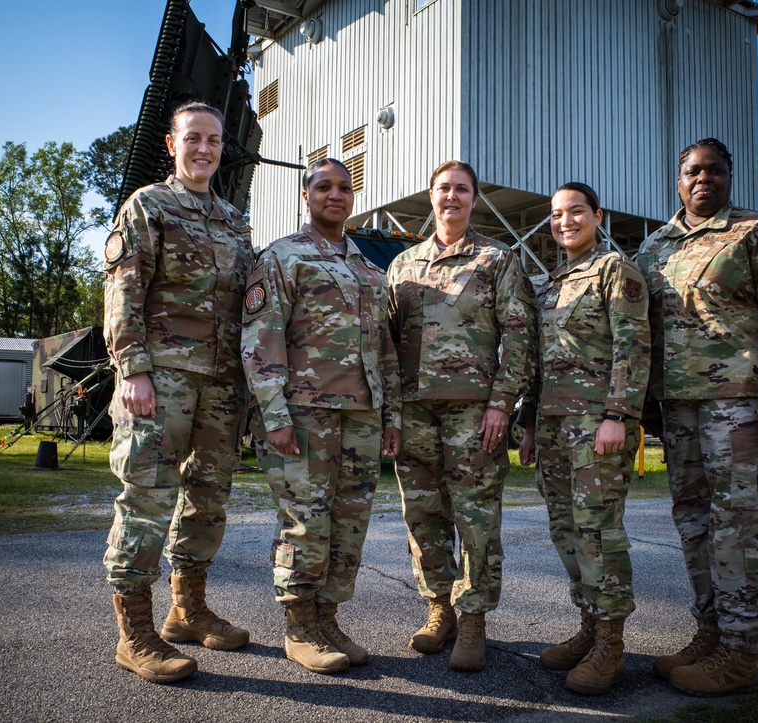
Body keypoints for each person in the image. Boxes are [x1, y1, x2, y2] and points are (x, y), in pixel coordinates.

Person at [636, 138, 758, 697]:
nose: (703, 180)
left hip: (741, 406)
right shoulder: (654, 247)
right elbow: (641, 329)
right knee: (694, 524)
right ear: (677, 179)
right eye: (693, 171)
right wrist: (644, 405)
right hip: (679, 411)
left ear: (729, 177)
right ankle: (710, 634)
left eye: (715, 171)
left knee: (737, 527)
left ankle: (740, 653)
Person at [102, 101, 253, 684]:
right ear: (173, 145)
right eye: (193, 138)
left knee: (207, 498)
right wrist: (133, 368)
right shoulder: (149, 205)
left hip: (220, 382)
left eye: (213, 141)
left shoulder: (235, 220)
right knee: (147, 496)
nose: (204, 149)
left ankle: (187, 609)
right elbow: (124, 288)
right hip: (160, 375)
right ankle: (135, 633)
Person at [242, 158, 402, 675]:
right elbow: (261, 339)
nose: (335, 194)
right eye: (323, 186)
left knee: (349, 525)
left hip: (363, 417)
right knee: (305, 523)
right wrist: (274, 414)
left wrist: (392, 416)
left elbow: (386, 351)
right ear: (305, 195)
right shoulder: (283, 257)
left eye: (344, 187)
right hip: (304, 415)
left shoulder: (369, 270)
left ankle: (328, 618)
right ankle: (299, 627)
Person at [387, 160, 537, 672]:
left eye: (462, 190)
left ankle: (472, 617)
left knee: (475, 518)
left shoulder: (497, 260)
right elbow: (387, 344)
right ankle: (439, 609)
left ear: (474, 198)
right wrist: (391, 413)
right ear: (430, 196)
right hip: (414, 413)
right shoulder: (403, 263)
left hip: (475, 414)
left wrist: (502, 404)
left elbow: (519, 336)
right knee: (423, 516)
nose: (452, 197)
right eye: (443, 189)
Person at [517, 182, 650, 695]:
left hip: (597, 427)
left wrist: (618, 414)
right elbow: (538, 364)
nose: (565, 221)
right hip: (552, 427)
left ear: (598, 215)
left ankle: (610, 644)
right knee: (566, 531)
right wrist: (528, 423)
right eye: (556, 214)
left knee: (598, 532)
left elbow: (633, 346)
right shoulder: (550, 284)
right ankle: (589, 625)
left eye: (576, 211)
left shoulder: (615, 270)